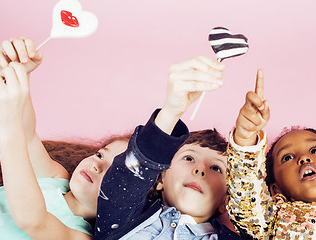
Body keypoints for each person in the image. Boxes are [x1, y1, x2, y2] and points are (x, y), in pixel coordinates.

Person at [0, 39, 131, 239]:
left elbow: (33, 220)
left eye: (114, 174)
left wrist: (6, 129)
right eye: (100, 155)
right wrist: (21, 72)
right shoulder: (55, 179)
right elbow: (27, 135)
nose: (96, 167)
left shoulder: (80, 235)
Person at [93, 56, 242, 239]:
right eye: (189, 158)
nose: (200, 170)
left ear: (225, 202)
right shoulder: (127, 218)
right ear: (161, 177)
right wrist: (171, 112)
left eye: (216, 168)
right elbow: (128, 177)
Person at [226, 69, 316, 239]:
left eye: (315, 150)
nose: (304, 158)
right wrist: (246, 137)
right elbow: (246, 200)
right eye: (287, 158)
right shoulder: (275, 221)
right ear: (276, 190)